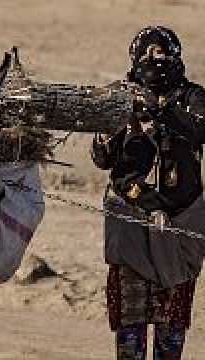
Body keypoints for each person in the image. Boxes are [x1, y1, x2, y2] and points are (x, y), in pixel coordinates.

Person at [91, 26, 205, 359]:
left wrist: (159, 110)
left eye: (163, 52)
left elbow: (200, 128)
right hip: (130, 221)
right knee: (131, 324)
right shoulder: (120, 95)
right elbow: (101, 158)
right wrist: (118, 120)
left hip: (180, 221)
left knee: (171, 330)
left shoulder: (193, 97)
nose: (157, 59)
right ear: (136, 57)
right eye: (149, 53)